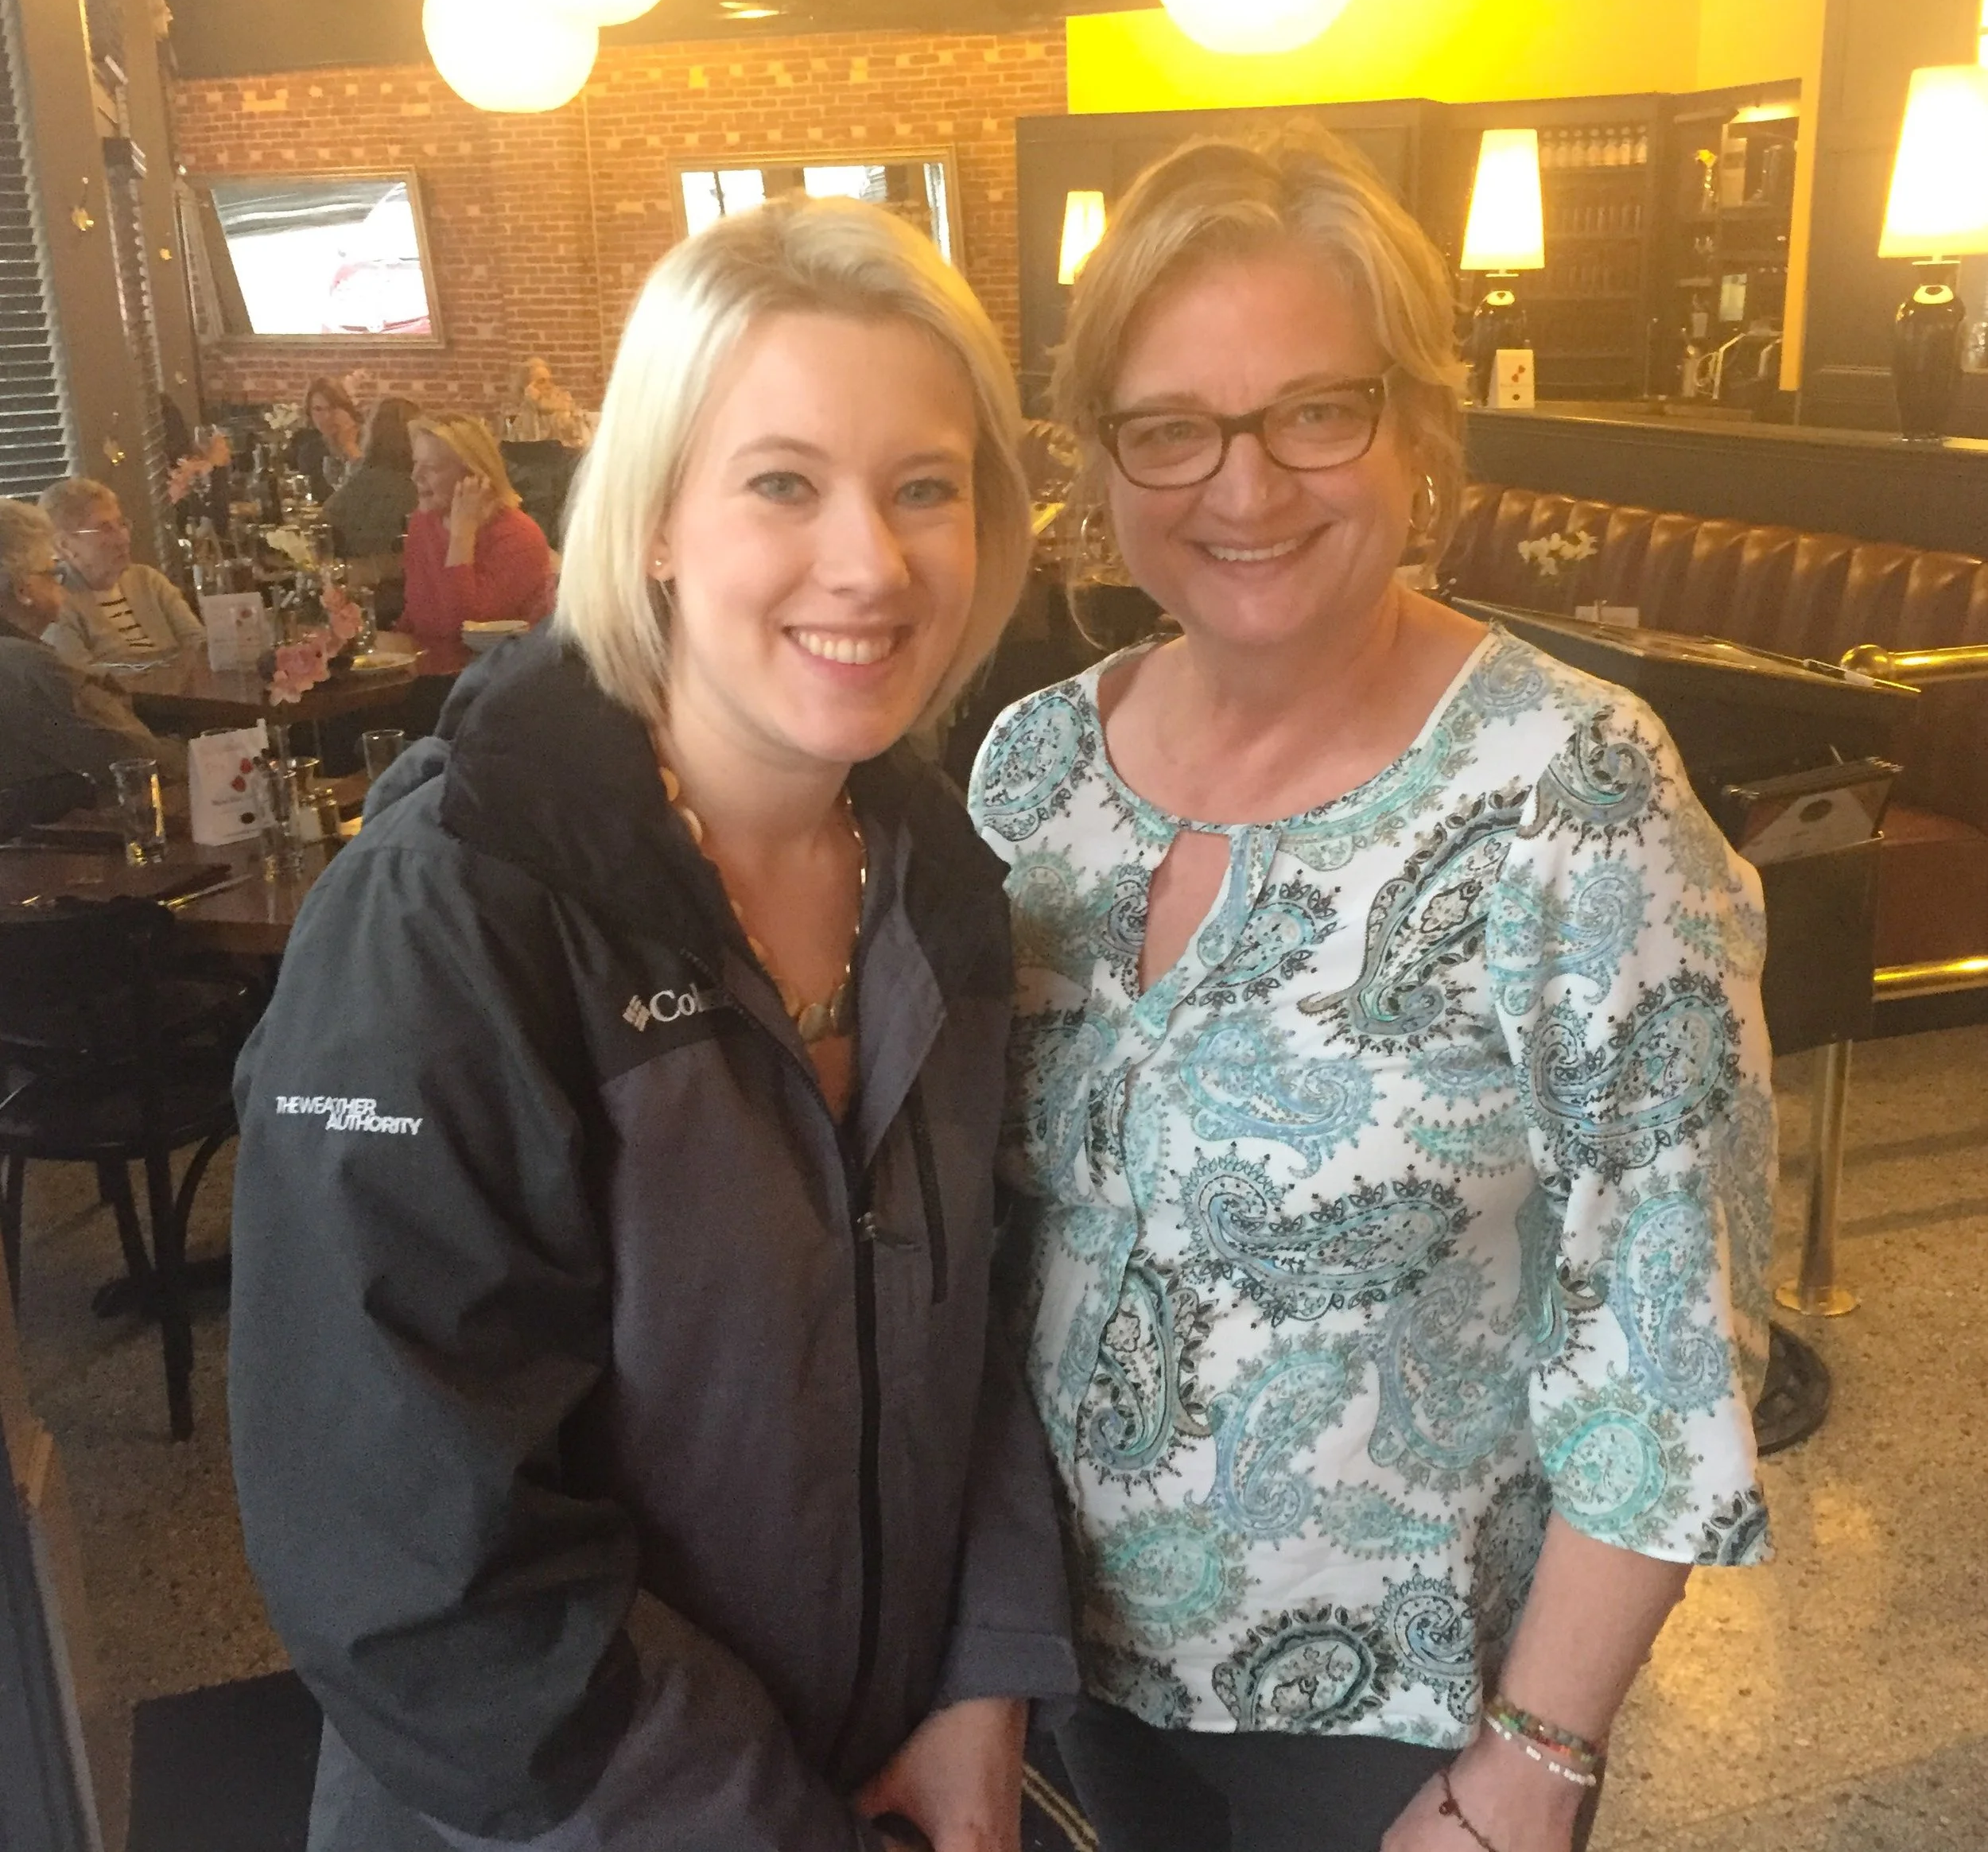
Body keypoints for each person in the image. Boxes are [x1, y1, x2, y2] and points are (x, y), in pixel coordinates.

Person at [227, 193, 1076, 1852]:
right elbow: (415, 1570)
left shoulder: (941, 885)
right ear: (659, 517)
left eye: (925, 487)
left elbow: (971, 1331)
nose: (870, 561)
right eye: (784, 482)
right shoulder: (452, 914)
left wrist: (984, 1677)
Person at [968, 132, 1775, 1852]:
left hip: (1399, 1730)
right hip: (1031, 1681)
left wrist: (1533, 1764)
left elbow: (1663, 1329)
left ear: (1420, 430)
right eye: (1169, 427)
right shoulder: (1033, 771)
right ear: (1098, 458)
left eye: (1314, 412)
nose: (1242, 487)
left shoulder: (1573, 789)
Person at [0, 500, 184, 833]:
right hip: (54, 845)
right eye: (53, 573)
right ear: (23, 591)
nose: (61, 582)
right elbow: (133, 757)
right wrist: (196, 751)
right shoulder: (30, 668)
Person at [397, 408, 553, 682]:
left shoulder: (518, 535)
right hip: (429, 679)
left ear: (473, 474)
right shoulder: (424, 523)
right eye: (416, 463)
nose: (415, 476)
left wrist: (462, 536)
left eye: (432, 467)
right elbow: (418, 617)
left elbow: (462, 630)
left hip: (500, 684)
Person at [39, 478, 204, 666]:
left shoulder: (148, 581)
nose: (123, 539)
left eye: (121, 524)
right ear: (65, 545)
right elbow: (83, 675)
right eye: (104, 529)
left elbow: (199, 645)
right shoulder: (55, 602)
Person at [324, 394, 421, 562]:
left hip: (359, 573)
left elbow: (329, 515)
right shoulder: (423, 483)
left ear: (372, 433)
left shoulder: (363, 480)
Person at [293, 376, 365, 499]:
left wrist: (350, 446)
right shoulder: (310, 451)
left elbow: (371, 486)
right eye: (318, 409)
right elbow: (313, 498)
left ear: (345, 409)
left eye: (332, 408)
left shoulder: (368, 440)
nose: (326, 416)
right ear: (309, 413)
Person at [503, 353, 589, 447]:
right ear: (527, 387)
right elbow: (528, 444)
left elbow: (579, 439)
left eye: (550, 381)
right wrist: (531, 404)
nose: (549, 386)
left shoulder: (559, 409)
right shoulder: (524, 415)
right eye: (542, 381)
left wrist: (569, 412)